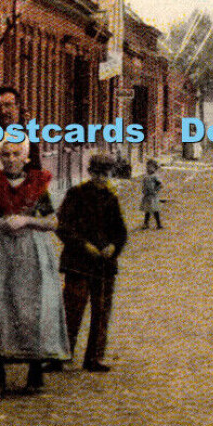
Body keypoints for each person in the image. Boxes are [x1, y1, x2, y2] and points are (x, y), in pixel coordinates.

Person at [0, 139, 69, 396]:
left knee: (31, 307)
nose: (11, 159)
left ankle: (35, 370)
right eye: (6, 155)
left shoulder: (37, 184)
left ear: (26, 158)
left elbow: (53, 221)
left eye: (16, 154)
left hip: (31, 251)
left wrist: (27, 220)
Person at [57, 152, 129, 372]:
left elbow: (121, 232)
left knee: (101, 311)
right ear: (89, 173)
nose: (101, 178)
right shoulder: (76, 194)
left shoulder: (111, 197)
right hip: (78, 262)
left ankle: (94, 357)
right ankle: (60, 355)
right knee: (71, 309)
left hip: (104, 264)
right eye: (97, 173)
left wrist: (114, 247)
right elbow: (63, 227)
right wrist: (83, 245)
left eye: (105, 174)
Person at [140, 159, 164, 230]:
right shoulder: (146, 177)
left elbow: (160, 184)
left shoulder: (155, 176)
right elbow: (144, 185)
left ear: (155, 168)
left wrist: (156, 190)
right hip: (147, 196)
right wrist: (144, 191)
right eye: (147, 167)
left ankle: (158, 224)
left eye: (150, 167)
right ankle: (146, 224)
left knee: (155, 210)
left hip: (153, 196)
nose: (148, 169)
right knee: (147, 210)